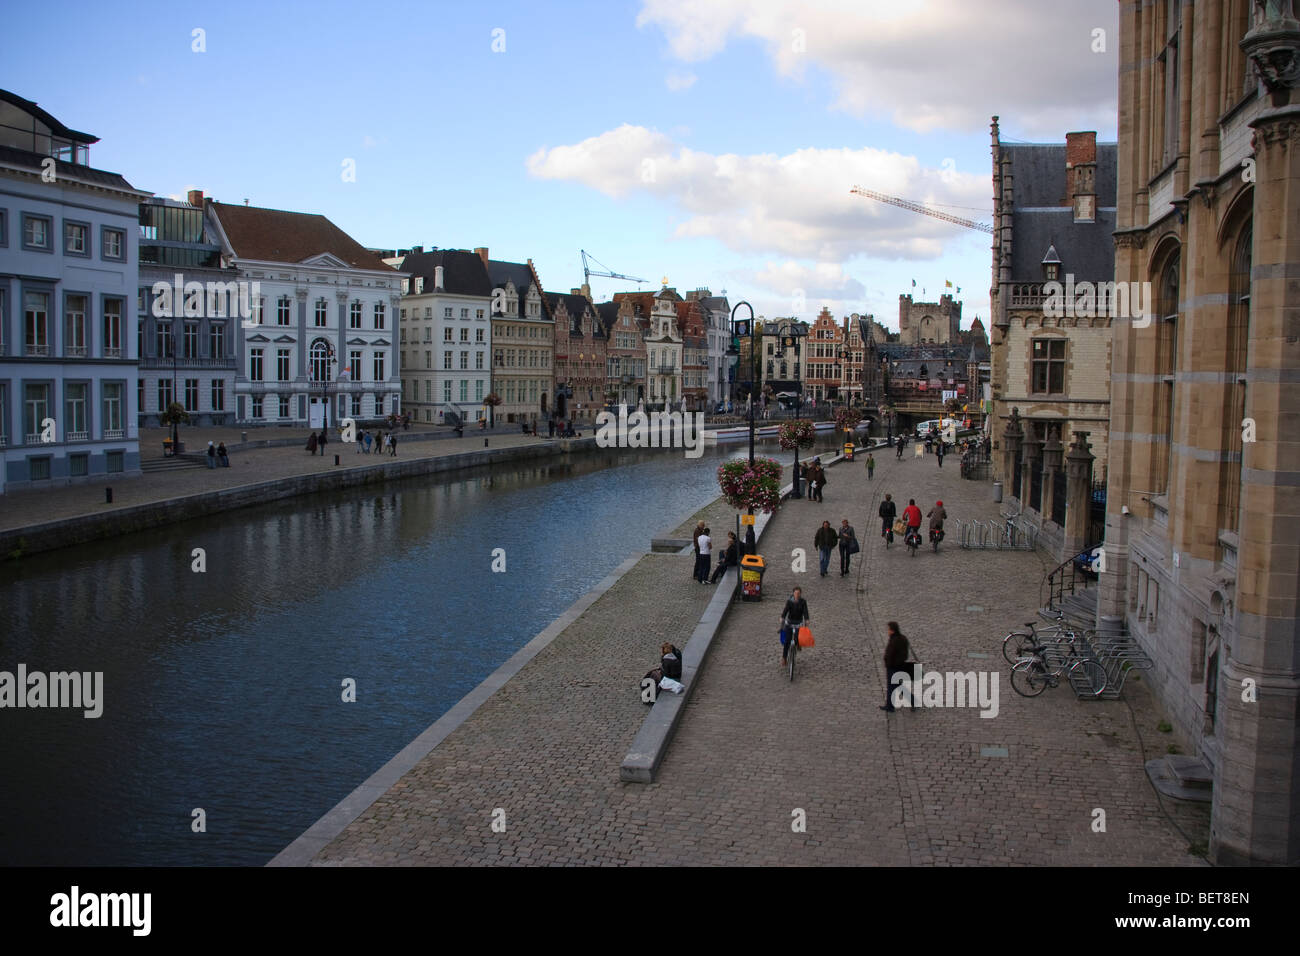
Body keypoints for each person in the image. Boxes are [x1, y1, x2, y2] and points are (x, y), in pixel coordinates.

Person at [880, 621, 915, 712]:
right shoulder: (902, 638)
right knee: (896, 686)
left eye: (888, 629)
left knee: (893, 686)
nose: (887, 631)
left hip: (893, 667)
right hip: (898, 666)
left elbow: (891, 654)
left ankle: (890, 706)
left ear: (892, 630)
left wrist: (889, 663)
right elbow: (905, 654)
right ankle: (891, 706)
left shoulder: (895, 640)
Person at [780, 587, 810, 667]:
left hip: (798, 623)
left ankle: (798, 644)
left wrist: (807, 619)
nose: (797, 595)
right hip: (789, 622)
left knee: (797, 639)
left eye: (798, 593)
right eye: (796, 593)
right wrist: (782, 617)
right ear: (793, 593)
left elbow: (805, 611)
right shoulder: (789, 601)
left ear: (800, 594)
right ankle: (784, 658)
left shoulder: (803, 602)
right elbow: (785, 610)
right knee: (787, 641)